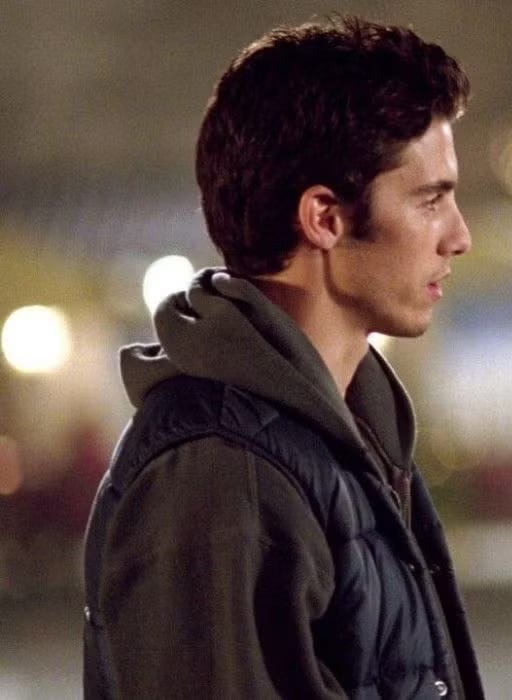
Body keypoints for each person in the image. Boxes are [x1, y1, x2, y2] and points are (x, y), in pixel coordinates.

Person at [82, 17, 485, 698]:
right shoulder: (220, 471)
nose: (459, 236)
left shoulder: (350, 439)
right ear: (324, 217)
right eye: (430, 201)